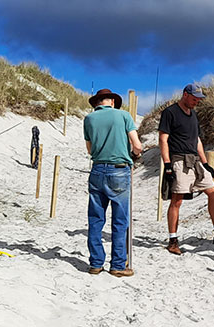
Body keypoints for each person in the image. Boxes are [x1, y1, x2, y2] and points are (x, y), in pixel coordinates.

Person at [158, 84, 214, 255]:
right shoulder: (170, 112)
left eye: (199, 99)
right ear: (185, 95)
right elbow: (163, 139)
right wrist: (167, 164)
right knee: (177, 200)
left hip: (195, 161)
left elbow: (197, 141)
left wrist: (205, 164)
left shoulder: (193, 114)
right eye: (194, 98)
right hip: (179, 160)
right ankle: (173, 240)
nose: (197, 101)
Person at [82, 89, 143, 277]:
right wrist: (134, 155)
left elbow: (90, 149)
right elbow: (138, 145)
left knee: (95, 219)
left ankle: (96, 263)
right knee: (120, 220)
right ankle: (117, 264)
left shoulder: (89, 119)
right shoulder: (124, 115)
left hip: (98, 169)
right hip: (119, 170)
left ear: (97, 104)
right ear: (113, 102)